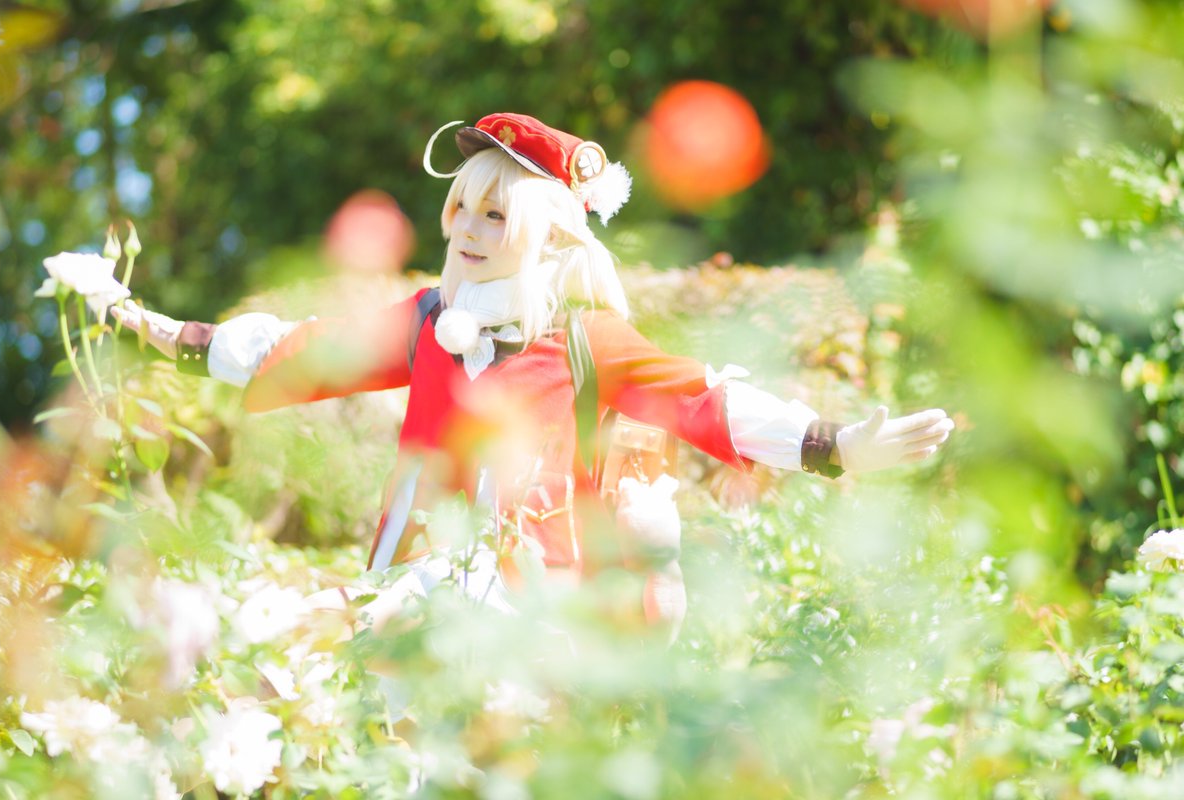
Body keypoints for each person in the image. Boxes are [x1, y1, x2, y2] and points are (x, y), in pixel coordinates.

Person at [113, 112, 954, 633]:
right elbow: (311, 350)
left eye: (495, 213)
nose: (468, 230)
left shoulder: (587, 341)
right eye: (462, 210)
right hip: (409, 581)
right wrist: (168, 333)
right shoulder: (426, 323)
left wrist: (834, 444)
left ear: (548, 235)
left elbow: (708, 402)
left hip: (533, 607)